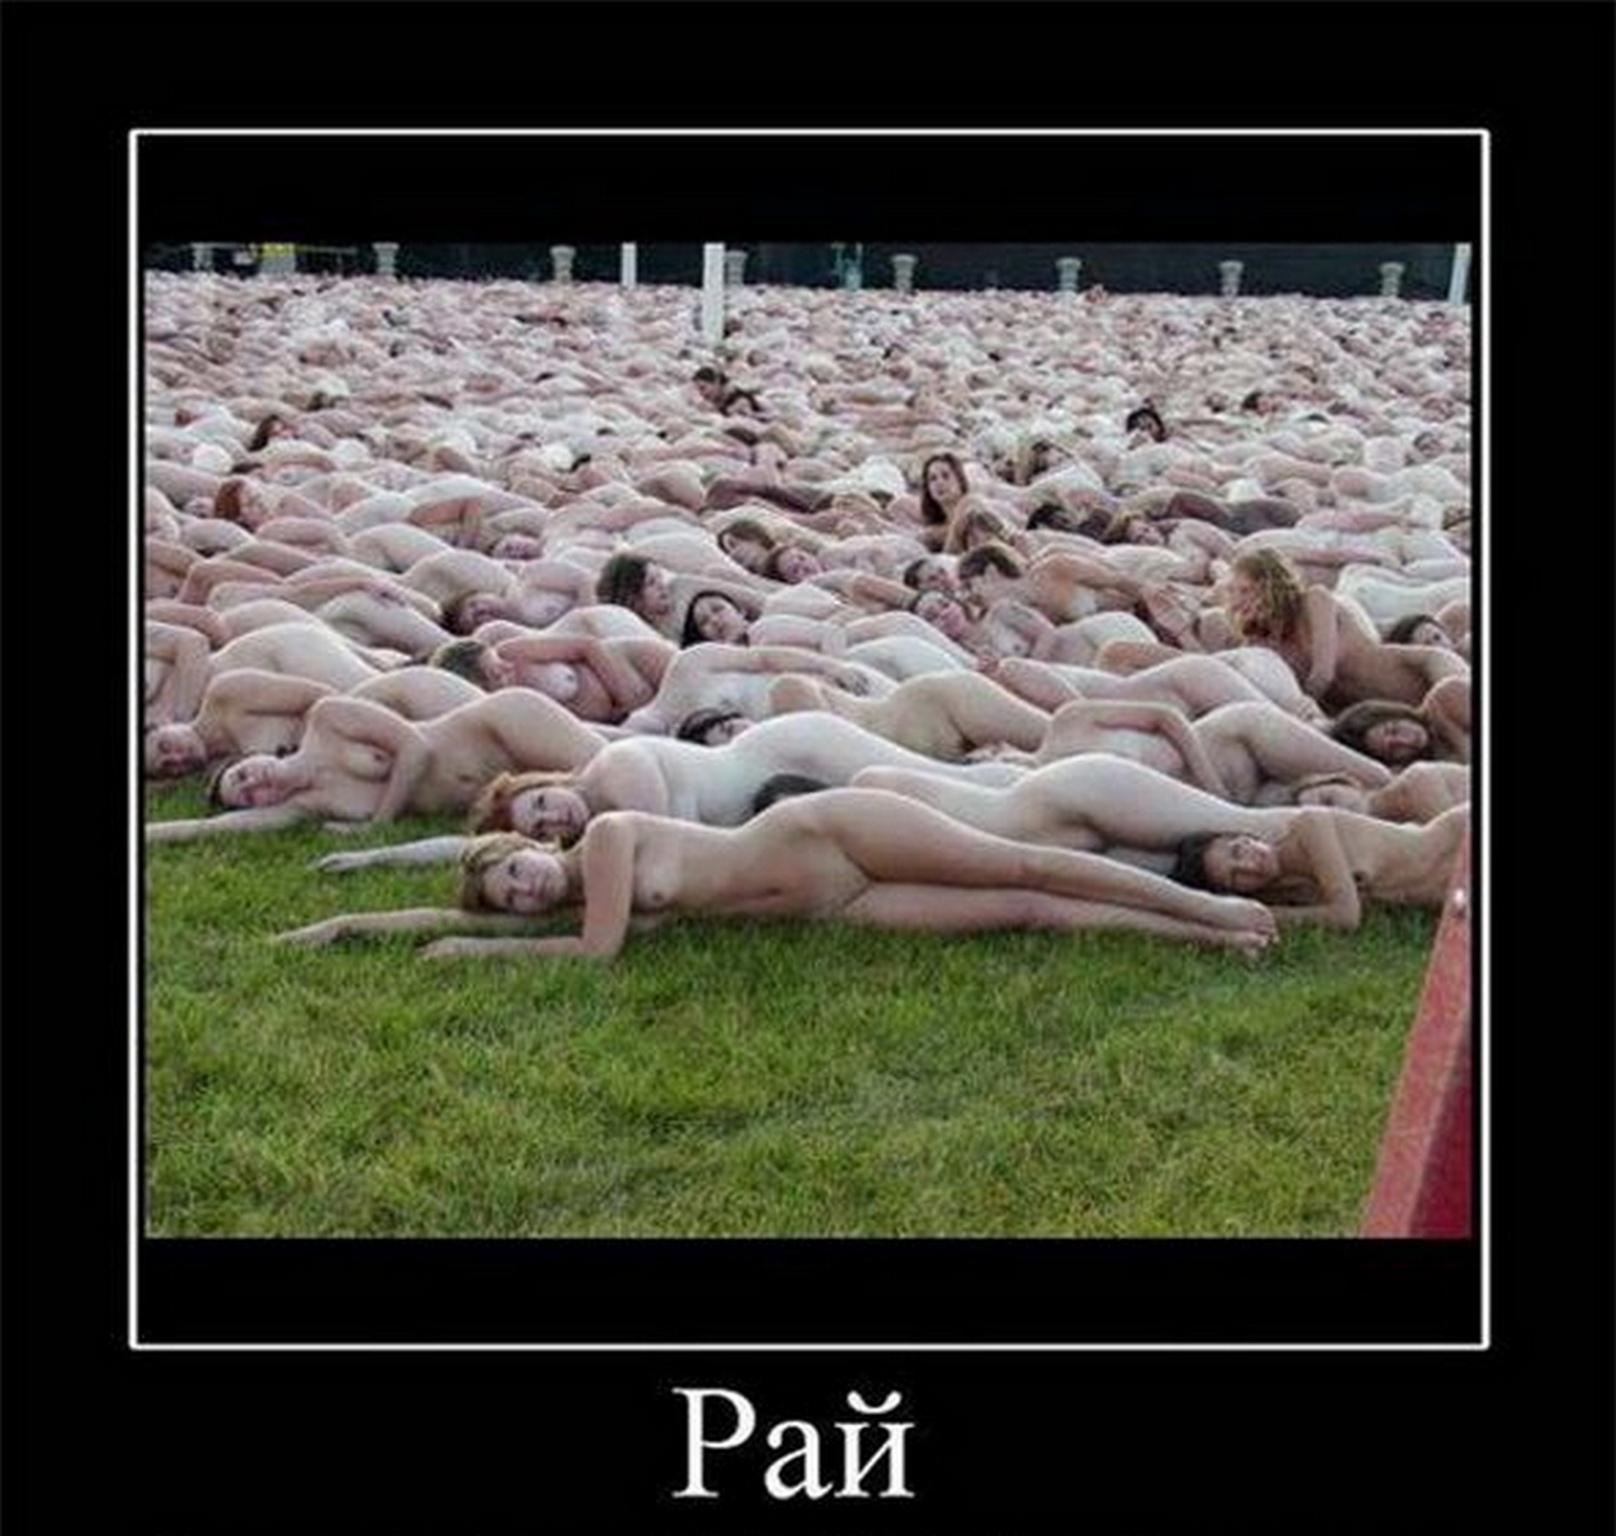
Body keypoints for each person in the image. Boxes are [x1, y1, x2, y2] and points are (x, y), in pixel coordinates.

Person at [275, 788, 1280, 959]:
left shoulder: (610, 839)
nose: (525, 887)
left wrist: (479, 949)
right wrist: (349, 925)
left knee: (1026, 863)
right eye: (511, 896)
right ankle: (1205, 935)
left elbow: (593, 954)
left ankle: (1206, 901)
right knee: (1021, 909)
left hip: (827, 834)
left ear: (530, 843)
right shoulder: (579, 905)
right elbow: (480, 921)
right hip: (836, 902)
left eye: (518, 869)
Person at [849, 754, 1468, 929]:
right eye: (1239, 873)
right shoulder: (1296, 877)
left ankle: (892, 792)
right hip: (1449, 889)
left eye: (1239, 851)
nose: (1250, 863)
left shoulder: (1310, 827)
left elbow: (1345, 917)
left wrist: (1252, 913)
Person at [145, 689, 607, 840]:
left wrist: (379, 823)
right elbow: (220, 829)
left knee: (610, 772)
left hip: (500, 726)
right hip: (510, 786)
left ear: (256, 756)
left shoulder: (327, 719)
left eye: (243, 774)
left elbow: (415, 749)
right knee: (602, 803)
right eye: (248, 795)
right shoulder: (312, 804)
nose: (255, 783)